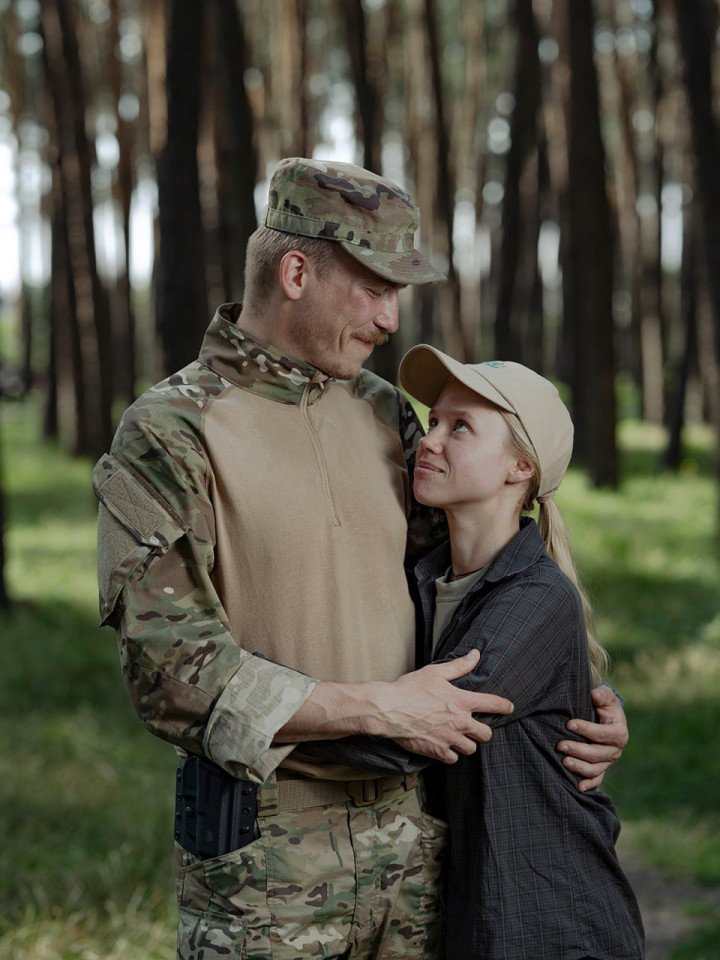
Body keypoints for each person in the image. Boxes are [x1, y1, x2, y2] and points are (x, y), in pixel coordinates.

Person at [93, 157, 629, 960]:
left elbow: (476, 587)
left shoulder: (387, 414)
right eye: (376, 288)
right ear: (296, 273)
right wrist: (378, 709)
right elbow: (169, 672)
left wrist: (573, 697)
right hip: (263, 869)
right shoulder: (171, 431)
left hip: (421, 854)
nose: (389, 319)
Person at [318, 347, 644, 958]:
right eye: (434, 421)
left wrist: (260, 710)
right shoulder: (425, 578)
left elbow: (413, 734)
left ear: (520, 466)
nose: (429, 441)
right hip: (481, 912)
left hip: (551, 923)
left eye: (460, 427)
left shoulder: (537, 597)